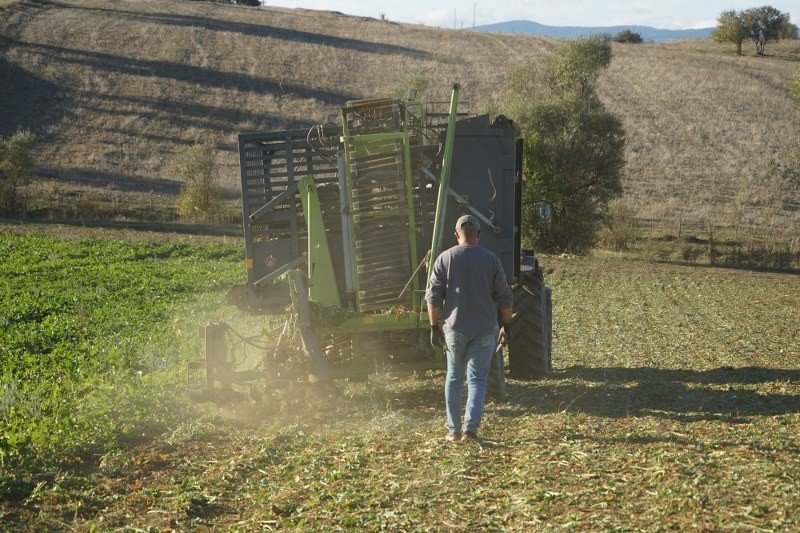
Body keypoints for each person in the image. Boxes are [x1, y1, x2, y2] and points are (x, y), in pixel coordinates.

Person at [425, 214, 513, 443]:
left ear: (456, 235)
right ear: (479, 235)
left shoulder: (444, 259)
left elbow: (433, 297)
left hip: (455, 329)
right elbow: (505, 298)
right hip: (484, 330)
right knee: (477, 380)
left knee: (453, 377)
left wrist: (434, 327)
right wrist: (506, 325)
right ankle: (470, 430)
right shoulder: (491, 260)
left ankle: (453, 431)